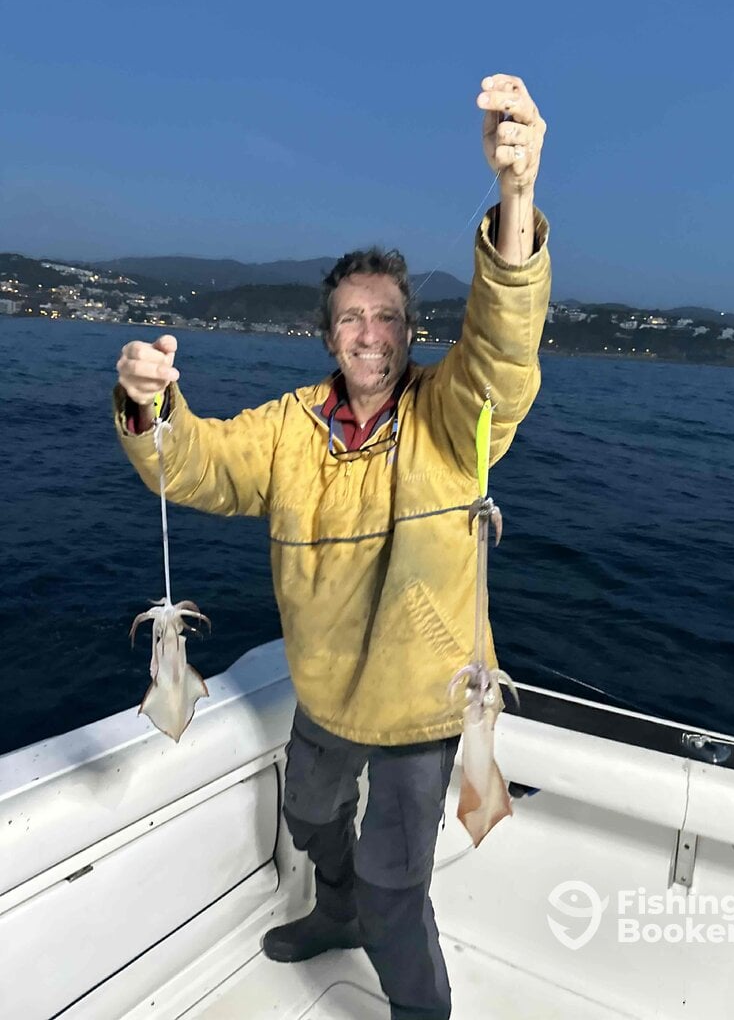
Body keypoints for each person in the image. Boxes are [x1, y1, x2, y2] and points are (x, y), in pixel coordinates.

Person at [114, 73, 550, 1020]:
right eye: (352, 316)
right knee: (311, 819)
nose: (370, 332)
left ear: (410, 331)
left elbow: (502, 357)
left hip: (420, 702)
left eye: (387, 315)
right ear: (328, 335)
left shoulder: (450, 419)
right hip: (323, 691)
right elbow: (197, 464)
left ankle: (419, 1006)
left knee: (399, 891)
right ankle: (335, 910)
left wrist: (516, 198)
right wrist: (150, 405)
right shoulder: (288, 427)